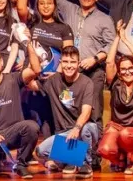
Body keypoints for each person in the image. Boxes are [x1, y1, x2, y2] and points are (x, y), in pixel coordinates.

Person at [32, 0, 114, 123]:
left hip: (93, 71)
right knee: (68, 108)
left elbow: (111, 44)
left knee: (93, 111)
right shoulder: (69, 9)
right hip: (68, 70)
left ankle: (93, 139)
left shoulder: (105, 19)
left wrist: (95, 59)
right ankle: (70, 138)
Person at [16, 0, 74, 138]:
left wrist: (57, 74)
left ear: (55, 6)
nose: (46, 6)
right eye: (42, 3)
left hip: (59, 80)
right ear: (37, 6)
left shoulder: (64, 28)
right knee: (44, 121)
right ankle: (50, 153)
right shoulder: (33, 22)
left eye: (49, 3)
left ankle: (71, 153)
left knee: (67, 116)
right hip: (34, 81)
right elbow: (20, 8)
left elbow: (69, 55)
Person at [0, 42, 42, 178]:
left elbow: (36, 70)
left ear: (1, 62)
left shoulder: (13, 79)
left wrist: (28, 44)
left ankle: (21, 164)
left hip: (13, 133)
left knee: (32, 127)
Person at [98, 20, 133, 175]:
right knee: (104, 149)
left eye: (131, 68)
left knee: (126, 134)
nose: (127, 72)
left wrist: (125, 40)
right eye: (123, 69)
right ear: (119, 72)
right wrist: (117, 37)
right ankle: (121, 160)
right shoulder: (115, 83)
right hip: (118, 128)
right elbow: (110, 62)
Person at [34, 46, 100, 178]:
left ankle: (85, 164)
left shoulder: (87, 82)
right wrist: (31, 52)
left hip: (83, 131)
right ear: (60, 63)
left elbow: (86, 112)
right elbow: (31, 84)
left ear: (78, 63)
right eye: (65, 62)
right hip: (64, 135)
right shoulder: (53, 80)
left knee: (86, 129)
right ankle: (74, 159)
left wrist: (76, 128)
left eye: (72, 62)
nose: (69, 66)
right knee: (40, 151)